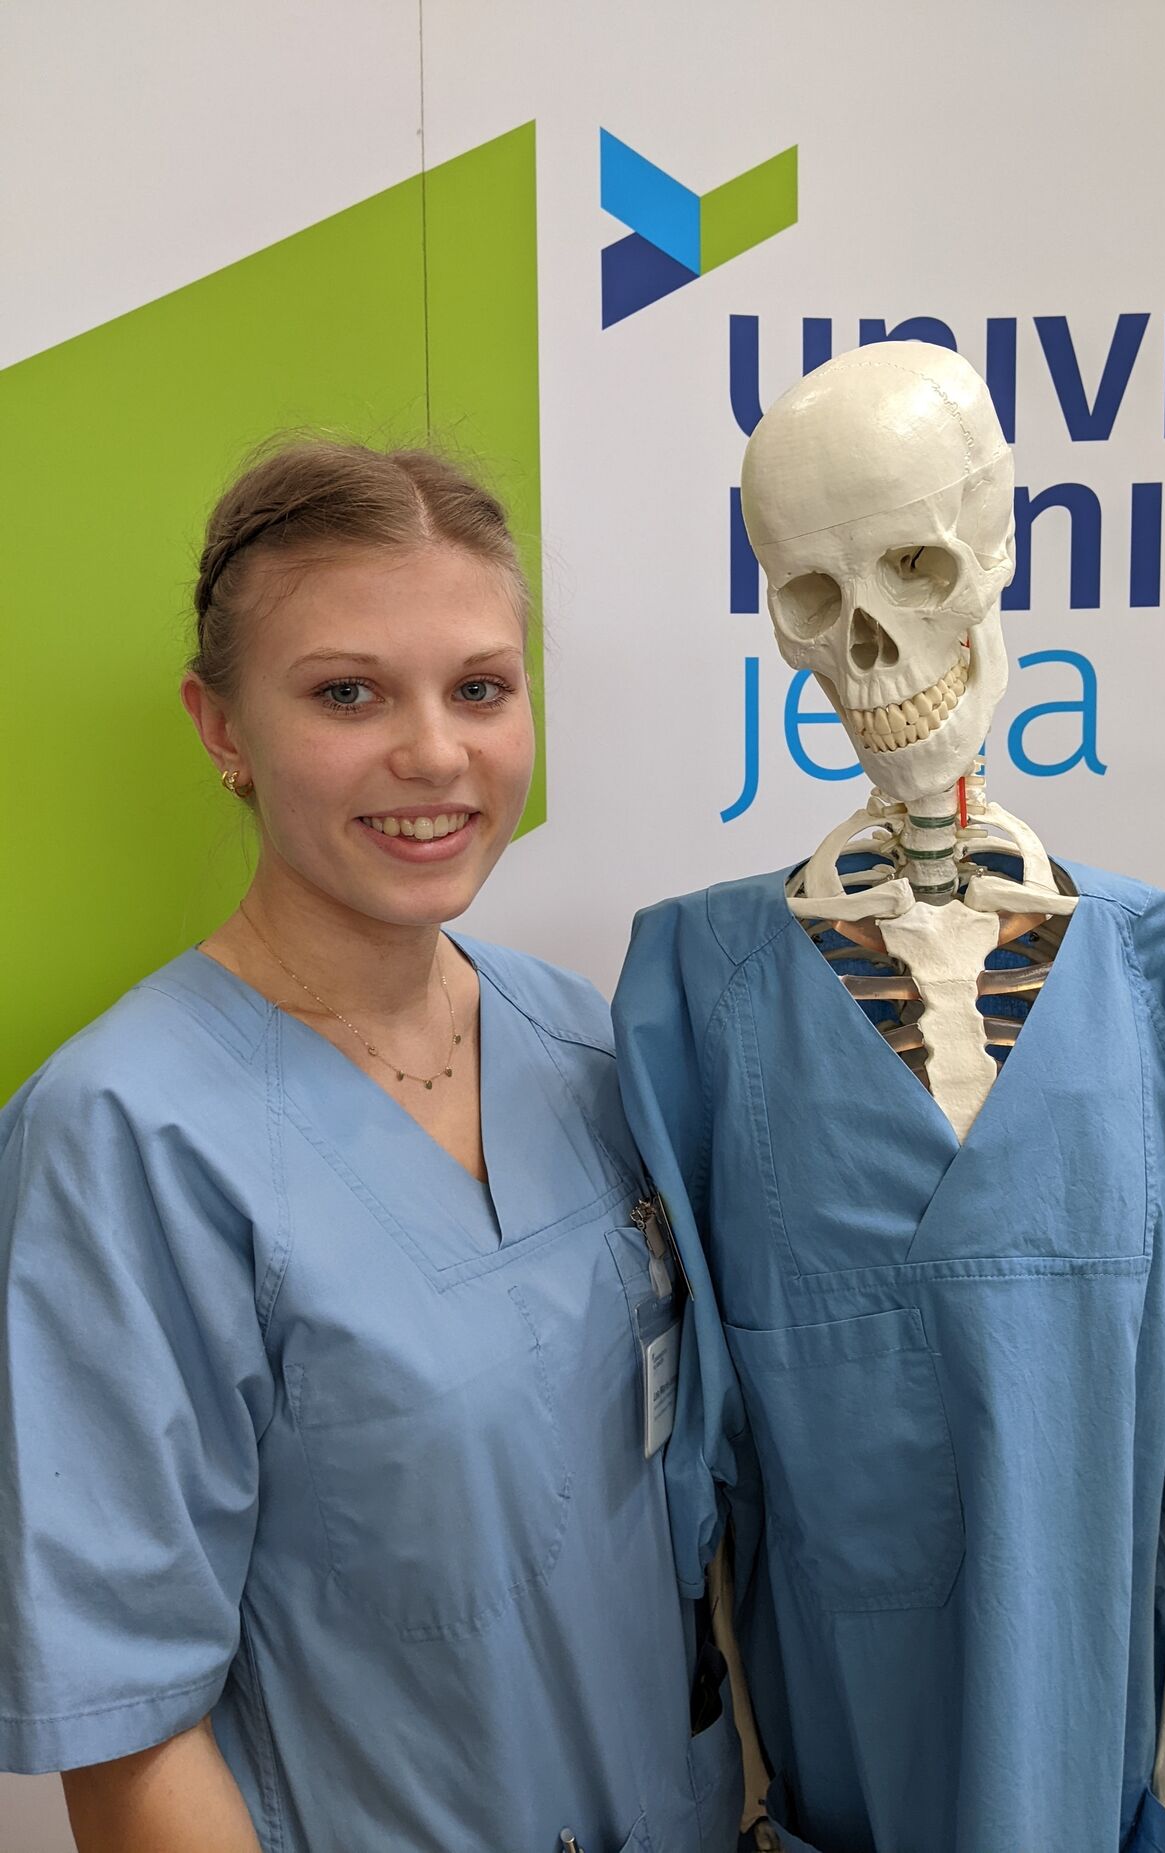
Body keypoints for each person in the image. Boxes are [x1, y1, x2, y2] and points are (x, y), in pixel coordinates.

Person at [0, 440, 742, 1853]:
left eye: (480, 687)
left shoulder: (585, 1046)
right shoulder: (126, 1141)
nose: (434, 753)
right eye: (348, 693)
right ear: (221, 728)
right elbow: (129, 1740)